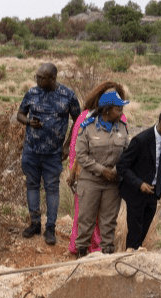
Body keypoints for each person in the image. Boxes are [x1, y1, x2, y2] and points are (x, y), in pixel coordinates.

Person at [17, 63, 81, 245]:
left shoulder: (68, 95)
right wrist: (29, 122)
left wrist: (68, 145)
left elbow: (78, 121)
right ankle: (35, 223)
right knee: (32, 185)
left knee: (52, 188)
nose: (36, 80)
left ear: (52, 78)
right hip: (31, 150)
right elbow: (19, 114)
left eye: (40, 77)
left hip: (54, 152)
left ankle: (50, 228)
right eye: (37, 76)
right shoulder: (31, 93)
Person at [64, 82, 128, 254]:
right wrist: (102, 171)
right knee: (86, 220)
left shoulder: (123, 128)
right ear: (106, 109)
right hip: (90, 181)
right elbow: (82, 155)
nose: (121, 112)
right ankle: (81, 254)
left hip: (112, 183)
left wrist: (116, 170)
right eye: (118, 108)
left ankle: (107, 255)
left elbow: (126, 153)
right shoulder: (88, 126)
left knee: (108, 222)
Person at [117, 108, 161, 251]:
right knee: (134, 237)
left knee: (141, 234)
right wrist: (139, 184)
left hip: (153, 193)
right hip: (136, 193)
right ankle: (128, 263)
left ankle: (134, 258)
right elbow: (122, 166)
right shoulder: (140, 140)